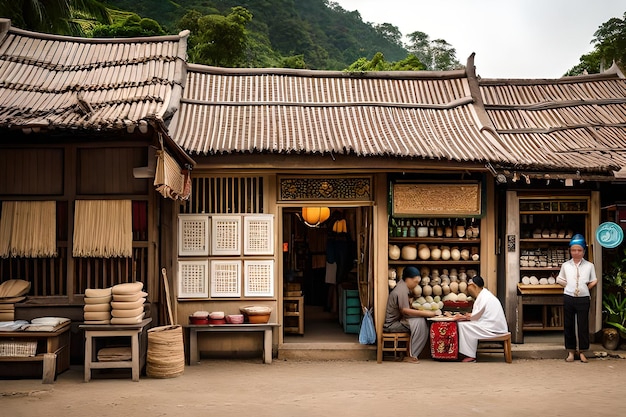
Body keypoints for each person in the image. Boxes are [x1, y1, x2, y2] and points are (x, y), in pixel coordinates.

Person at [556, 233, 597, 363]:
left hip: (583, 298)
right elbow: (560, 279)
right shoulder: (565, 265)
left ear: (584, 251)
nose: (576, 252)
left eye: (579, 250)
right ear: (570, 250)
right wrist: (569, 286)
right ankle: (571, 352)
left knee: (583, 325)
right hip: (568, 297)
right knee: (568, 325)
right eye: (573, 250)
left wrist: (584, 288)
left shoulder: (589, 265)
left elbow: (594, 280)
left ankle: (583, 351)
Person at [384, 266, 437, 363]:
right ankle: (412, 355)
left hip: (398, 320)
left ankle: (412, 353)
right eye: (415, 282)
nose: (416, 285)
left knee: (420, 321)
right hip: (391, 325)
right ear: (408, 279)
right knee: (420, 322)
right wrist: (426, 313)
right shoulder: (401, 290)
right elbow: (404, 310)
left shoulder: (403, 287)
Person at [452, 276, 509, 362]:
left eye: (469, 286)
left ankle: (469, 355)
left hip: (492, 327)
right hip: (491, 325)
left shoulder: (484, 296)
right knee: (464, 325)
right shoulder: (484, 295)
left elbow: (476, 316)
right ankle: (466, 353)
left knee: (462, 326)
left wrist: (464, 316)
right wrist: (467, 316)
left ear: (474, 286)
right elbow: (478, 314)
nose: (468, 289)